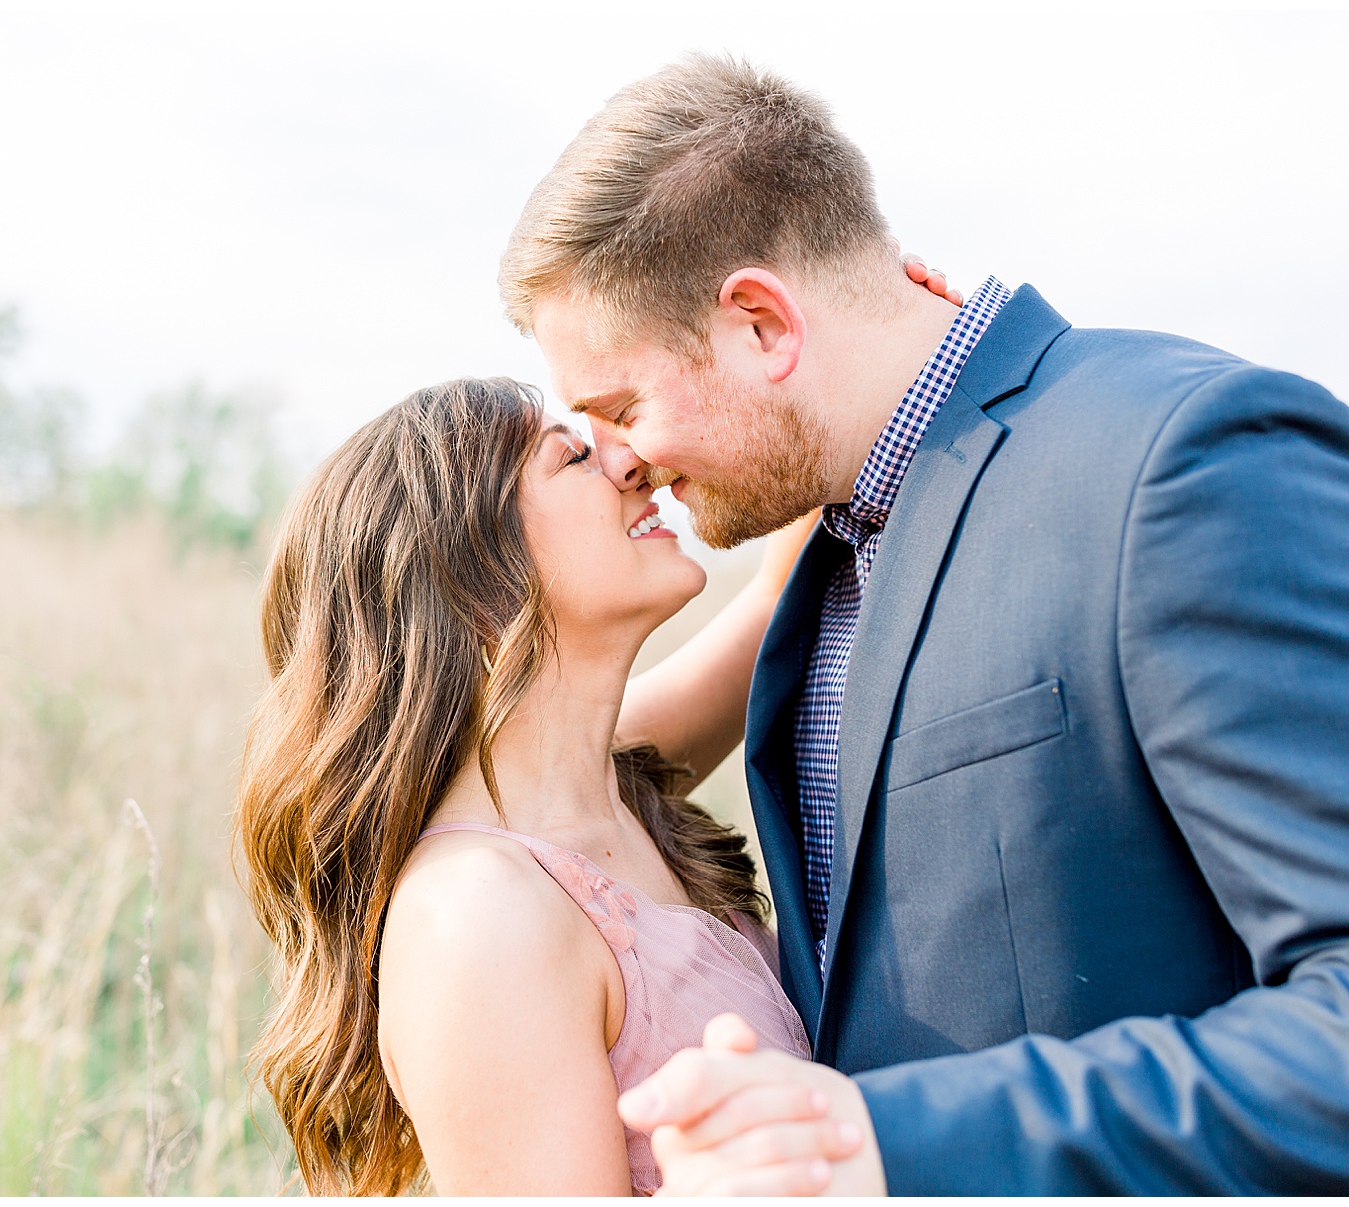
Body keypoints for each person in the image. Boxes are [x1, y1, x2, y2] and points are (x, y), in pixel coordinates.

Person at [498, 54, 1349, 1194]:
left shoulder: (1185, 462)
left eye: (622, 406)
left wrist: (891, 1143)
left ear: (761, 322)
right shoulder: (822, 558)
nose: (624, 461)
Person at [236, 373, 953, 1194]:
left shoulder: (601, 778)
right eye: (572, 456)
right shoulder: (476, 915)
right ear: (476, 583)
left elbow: (770, 603)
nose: (633, 460)